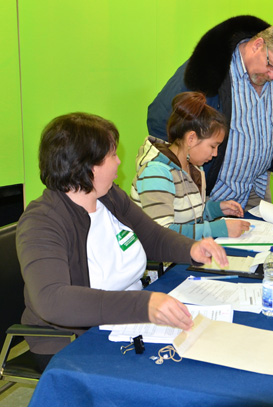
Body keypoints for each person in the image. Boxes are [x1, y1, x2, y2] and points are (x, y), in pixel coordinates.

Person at [16, 112, 228, 371]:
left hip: (126, 322)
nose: (119, 163)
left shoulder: (109, 197)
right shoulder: (42, 222)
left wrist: (192, 248)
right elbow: (53, 300)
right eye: (112, 155)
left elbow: (151, 236)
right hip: (74, 340)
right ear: (86, 165)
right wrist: (144, 305)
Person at [147, 15, 273, 209]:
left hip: (256, 189)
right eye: (271, 66)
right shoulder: (211, 68)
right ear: (257, 45)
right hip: (213, 193)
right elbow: (161, 118)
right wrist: (184, 171)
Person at [132, 92, 250, 239]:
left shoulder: (194, 168)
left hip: (185, 251)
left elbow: (189, 216)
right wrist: (217, 229)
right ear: (191, 139)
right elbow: (162, 233)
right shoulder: (155, 173)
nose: (215, 154)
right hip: (162, 260)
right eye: (213, 146)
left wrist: (215, 209)